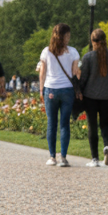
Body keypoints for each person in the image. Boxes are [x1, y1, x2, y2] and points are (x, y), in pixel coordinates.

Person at [37, 23, 81, 166]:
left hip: (51, 88)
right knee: (64, 124)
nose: (68, 38)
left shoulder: (46, 51)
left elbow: (42, 72)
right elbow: (75, 74)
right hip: (67, 90)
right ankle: (62, 156)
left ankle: (51, 156)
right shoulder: (73, 52)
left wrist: (41, 90)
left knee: (51, 123)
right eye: (67, 35)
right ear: (63, 36)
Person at [78, 28, 108, 167]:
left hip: (91, 95)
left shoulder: (88, 57)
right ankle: (107, 147)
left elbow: (84, 77)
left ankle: (95, 159)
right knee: (105, 124)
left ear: (92, 41)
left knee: (92, 125)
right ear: (105, 40)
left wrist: (79, 90)